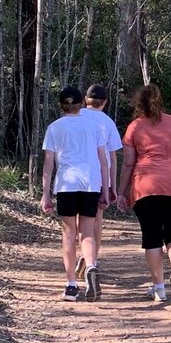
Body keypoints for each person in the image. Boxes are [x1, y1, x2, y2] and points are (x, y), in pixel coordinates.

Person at [116, 83, 171, 301]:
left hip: (147, 186)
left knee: (152, 237)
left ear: (139, 104)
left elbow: (128, 163)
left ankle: (159, 288)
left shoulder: (135, 127)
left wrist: (121, 192)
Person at [41, 86, 110, 302]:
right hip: (91, 183)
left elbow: (48, 163)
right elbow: (103, 161)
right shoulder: (94, 125)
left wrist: (45, 194)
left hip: (66, 184)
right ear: (81, 104)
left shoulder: (54, 128)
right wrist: (106, 189)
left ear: (61, 105)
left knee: (69, 234)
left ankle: (71, 285)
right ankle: (90, 266)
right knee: (87, 232)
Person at [74, 84, 122, 280]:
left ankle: (84, 254)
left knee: (79, 219)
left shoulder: (75, 116)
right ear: (105, 103)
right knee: (96, 219)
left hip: (75, 175)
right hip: (98, 176)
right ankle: (92, 259)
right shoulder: (107, 122)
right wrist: (112, 185)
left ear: (86, 100)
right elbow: (113, 156)